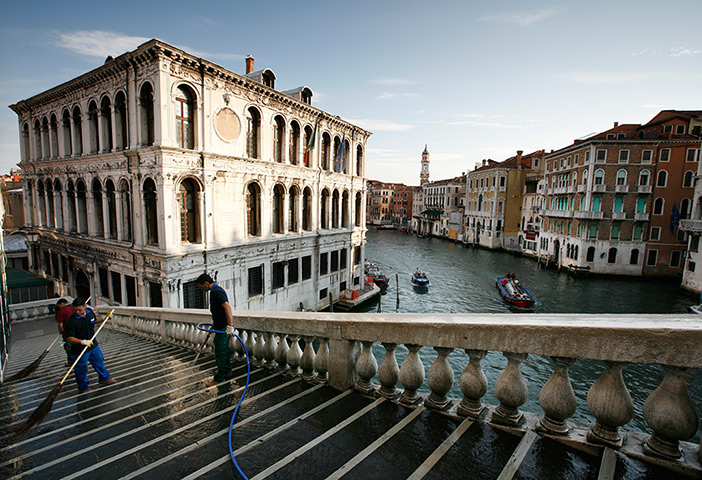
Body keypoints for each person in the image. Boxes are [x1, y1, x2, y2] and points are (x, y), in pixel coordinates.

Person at [63, 297, 116, 392]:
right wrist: (81, 342)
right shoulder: (72, 321)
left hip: (93, 344)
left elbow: (93, 320)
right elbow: (68, 338)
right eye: (75, 310)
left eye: (80, 310)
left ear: (85, 306)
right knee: (81, 368)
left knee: (99, 361)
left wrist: (104, 318)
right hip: (79, 349)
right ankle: (83, 387)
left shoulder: (89, 312)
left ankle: (104, 378)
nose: (78, 312)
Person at [196, 273, 236, 387]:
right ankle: (227, 371)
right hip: (219, 326)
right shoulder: (214, 291)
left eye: (201, 286)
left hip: (223, 328)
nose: (201, 289)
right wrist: (215, 323)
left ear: (206, 283)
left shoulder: (216, 292)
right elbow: (219, 311)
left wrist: (230, 326)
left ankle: (219, 378)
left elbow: (227, 307)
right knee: (225, 351)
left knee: (220, 352)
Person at [55, 298, 74, 366]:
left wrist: (60, 331)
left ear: (62, 304)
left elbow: (60, 324)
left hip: (68, 332)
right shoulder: (74, 307)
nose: (59, 308)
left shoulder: (61, 312)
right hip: (77, 330)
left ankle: (71, 361)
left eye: (59, 306)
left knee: (68, 347)